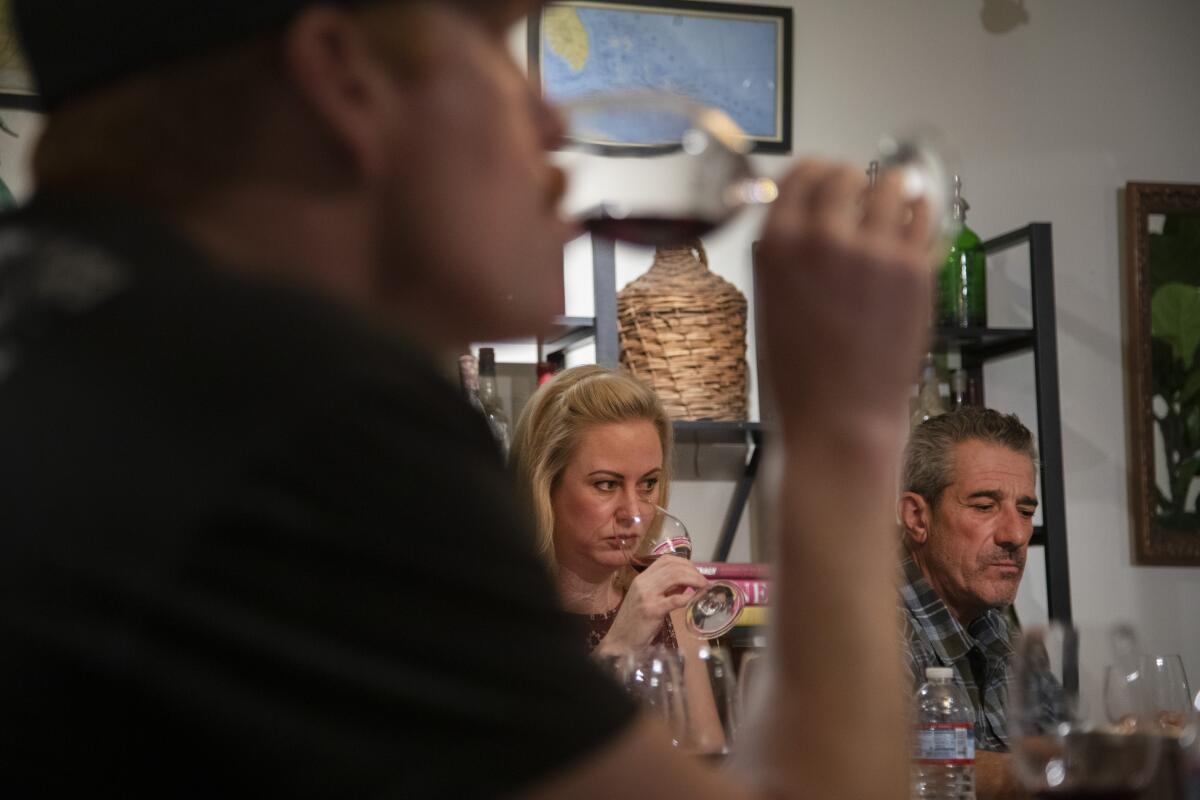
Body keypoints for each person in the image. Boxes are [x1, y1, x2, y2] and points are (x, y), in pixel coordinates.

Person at [0, 0, 938, 797]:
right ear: (345, 77)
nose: (553, 124)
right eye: (497, 47)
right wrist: (844, 428)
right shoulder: (307, 411)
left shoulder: (74, 325)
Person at [510, 364, 726, 751]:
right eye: (606, 485)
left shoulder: (669, 607)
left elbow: (707, 756)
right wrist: (620, 646)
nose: (634, 512)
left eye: (648, 484)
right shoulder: (503, 619)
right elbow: (520, 766)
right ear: (545, 486)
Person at [898, 407, 1040, 800]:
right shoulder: (865, 624)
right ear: (917, 517)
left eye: (1026, 511)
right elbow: (878, 769)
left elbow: (1056, 746)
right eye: (984, 506)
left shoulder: (997, 622)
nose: (1015, 534)